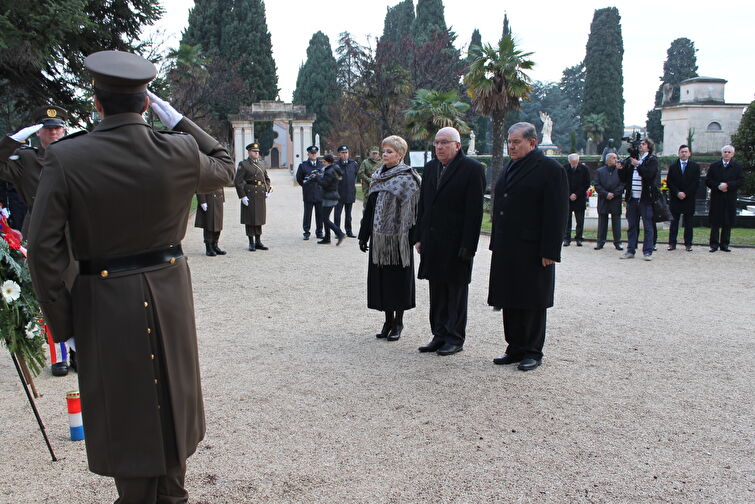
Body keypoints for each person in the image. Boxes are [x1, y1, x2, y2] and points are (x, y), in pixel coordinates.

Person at [27, 50, 234, 503]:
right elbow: (225, 165)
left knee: (126, 411)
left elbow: (43, 249)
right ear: (146, 104)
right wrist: (178, 120)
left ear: (97, 104)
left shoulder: (67, 157)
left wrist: (66, 324)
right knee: (172, 404)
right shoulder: (178, 149)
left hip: (104, 297)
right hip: (170, 291)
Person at [1, 105, 75, 377]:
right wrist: (16, 138)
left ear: (64, 130)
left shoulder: (76, 154)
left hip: (75, 230)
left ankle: (79, 351)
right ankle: (59, 354)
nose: (52, 132)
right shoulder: (26, 160)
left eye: (57, 128)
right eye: (47, 128)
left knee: (77, 290)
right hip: (41, 232)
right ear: (39, 132)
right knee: (48, 293)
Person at [488, 122, 568, 371]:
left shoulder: (549, 169)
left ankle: (533, 350)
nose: (511, 146)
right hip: (507, 245)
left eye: (516, 142)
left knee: (533, 299)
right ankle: (515, 347)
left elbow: (557, 212)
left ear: (532, 143)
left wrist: (550, 250)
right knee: (509, 297)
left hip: (533, 248)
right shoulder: (511, 166)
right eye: (509, 142)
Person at [414, 127, 485, 356]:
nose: (439, 147)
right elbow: (424, 205)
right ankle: (439, 333)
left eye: (445, 142)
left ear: (457, 145)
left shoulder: (472, 169)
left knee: (455, 292)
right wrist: (420, 236)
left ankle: (454, 337)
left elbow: (474, 212)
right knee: (437, 291)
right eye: (436, 142)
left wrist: (468, 246)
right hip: (433, 241)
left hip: (457, 244)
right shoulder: (431, 167)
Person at [358, 135, 420, 341]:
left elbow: (414, 212)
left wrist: (413, 238)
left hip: (399, 239)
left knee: (398, 280)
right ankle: (387, 320)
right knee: (382, 279)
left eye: (390, 151)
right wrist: (363, 235)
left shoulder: (409, 178)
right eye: (384, 151)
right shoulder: (377, 177)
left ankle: (398, 322)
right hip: (379, 238)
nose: (385, 154)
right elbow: (370, 208)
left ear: (400, 155)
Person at [618, 137, 658, 260]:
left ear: (649, 147)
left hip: (645, 199)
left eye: (644, 144)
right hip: (632, 198)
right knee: (632, 226)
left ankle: (647, 251)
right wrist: (621, 169)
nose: (641, 145)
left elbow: (649, 175)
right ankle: (631, 250)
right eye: (640, 143)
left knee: (648, 226)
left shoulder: (652, 160)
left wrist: (638, 165)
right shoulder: (633, 159)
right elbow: (624, 179)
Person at [706, 145, 744, 252]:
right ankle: (714, 245)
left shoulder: (737, 166)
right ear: (722, 153)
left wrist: (728, 185)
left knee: (727, 222)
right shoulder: (714, 166)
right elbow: (708, 181)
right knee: (715, 222)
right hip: (717, 197)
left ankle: (724, 244)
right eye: (725, 152)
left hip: (729, 197)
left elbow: (740, 181)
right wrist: (718, 186)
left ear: (732, 154)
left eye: (729, 152)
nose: (727, 154)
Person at [234, 142, 271, 251]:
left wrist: (267, 189)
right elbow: (238, 181)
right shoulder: (244, 164)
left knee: (259, 217)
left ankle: (258, 241)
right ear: (249, 152)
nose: (256, 153)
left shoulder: (261, 163)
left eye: (257, 152)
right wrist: (242, 196)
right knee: (250, 218)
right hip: (249, 192)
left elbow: (266, 179)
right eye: (254, 152)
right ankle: (251, 242)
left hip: (260, 193)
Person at [666, 144, 700, 251]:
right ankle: (672, 243)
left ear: (689, 153)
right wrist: (677, 193)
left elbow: (696, 182)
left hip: (688, 199)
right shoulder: (673, 166)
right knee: (674, 223)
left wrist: (685, 193)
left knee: (689, 223)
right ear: (679, 153)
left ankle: (688, 244)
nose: (684, 153)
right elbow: (669, 182)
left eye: (686, 151)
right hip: (676, 198)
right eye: (682, 151)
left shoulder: (695, 166)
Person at [593, 152, 624, 250]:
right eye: (613, 158)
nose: (616, 159)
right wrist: (606, 194)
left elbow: (623, 184)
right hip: (604, 199)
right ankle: (600, 242)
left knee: (616, 221)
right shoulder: (600, 171)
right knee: (602, 221)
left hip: (615, 199)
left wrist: (614, 194)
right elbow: (597, 185)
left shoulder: (620, 171)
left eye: (616, 157)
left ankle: (618, 242)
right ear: (608, 160)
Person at [314, 154, 345, 245]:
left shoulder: (329, 171)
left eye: (324, 161)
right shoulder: (334, 168)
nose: (323, 163)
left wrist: (317, 177)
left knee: (325, 218)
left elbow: (324, 184)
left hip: (329, 196)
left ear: (328, 162)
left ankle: (339, 233)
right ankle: (327, 238)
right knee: (325, 217)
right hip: (331, 195)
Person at [295, 146, 324, 240]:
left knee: (320, 214)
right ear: (308, 154)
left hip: (319, 193)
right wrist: (305, 186)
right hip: (308, 193)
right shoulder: (303, 165)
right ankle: (306, 232)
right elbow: (299, 178)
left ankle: (319, 232)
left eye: (315, 153)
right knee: (307, 214)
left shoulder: (321, 165)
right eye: (312, 153)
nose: (313, 155)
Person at [563, 153, 590, 247]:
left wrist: (576, 194)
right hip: (568, 198)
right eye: (572, 163)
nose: (574, 164)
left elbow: (586, 183)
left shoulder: (584, 169)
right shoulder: (564, 168)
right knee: (567, 220)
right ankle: (567, 238)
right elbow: (562, 183)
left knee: (580, 220)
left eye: (576, 162)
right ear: (569, 161)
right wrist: (569, 194)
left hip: (580, 198)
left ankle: (579, 238)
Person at [334, 145, 359, 237]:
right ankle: (337, 232)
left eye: (346, 153)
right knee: (337, 214)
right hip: (338, 194)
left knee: (348, 215)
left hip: (350, 193)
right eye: (342, 153)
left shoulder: (354, 164)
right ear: (339, 154)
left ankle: (349, 231)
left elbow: (355, 175)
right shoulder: (336, 165)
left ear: (348, 153)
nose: (345, 155)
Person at [195, 188, 226, 256]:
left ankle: (215, 245)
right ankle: (208, 247)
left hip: (218, 196)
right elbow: (200, 185)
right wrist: (202, 201)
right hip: (209, 198)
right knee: (209, 223)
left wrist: (222, 197)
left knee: (218, 223)